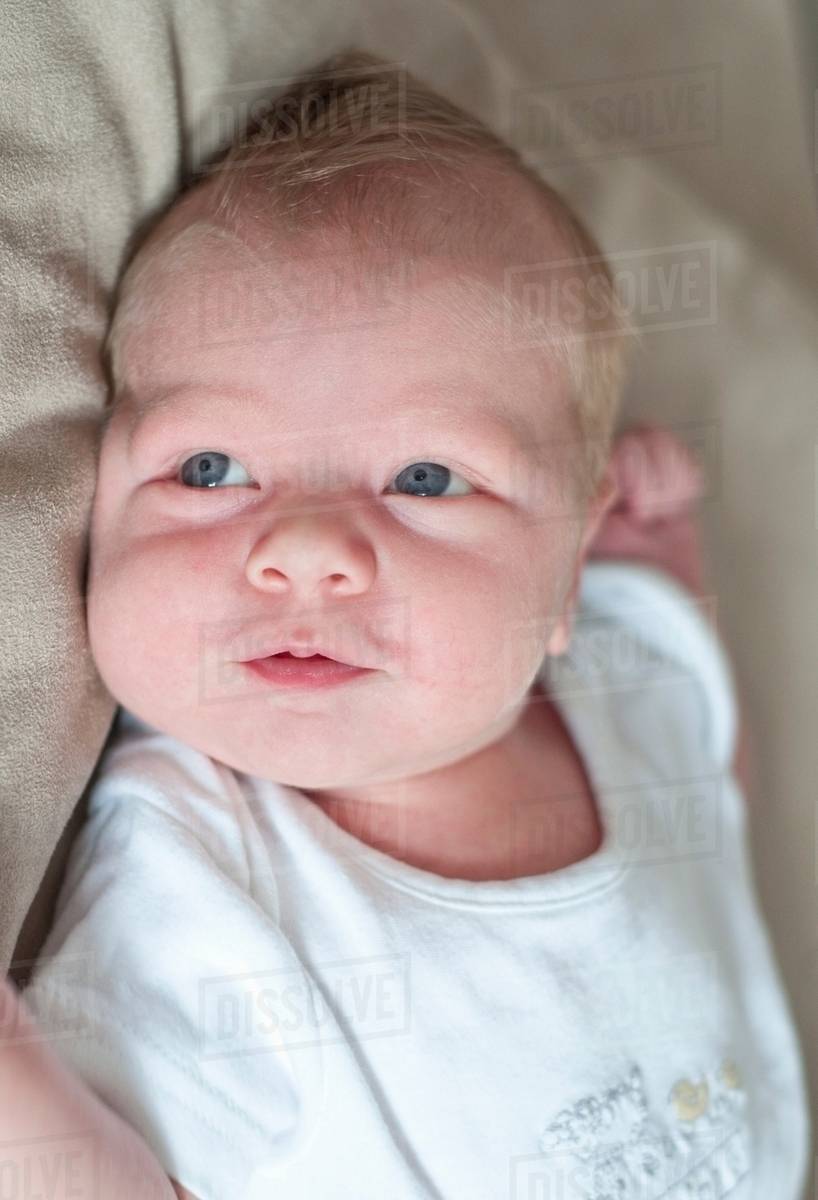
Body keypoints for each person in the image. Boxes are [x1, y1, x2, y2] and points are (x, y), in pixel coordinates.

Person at [6, 50, 809, 1199]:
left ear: (564, 570)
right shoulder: (203, 886)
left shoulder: (627, 691)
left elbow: (708, 776)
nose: (306, 551)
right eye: (212, 467)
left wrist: (655, 557)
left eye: (426, 478)